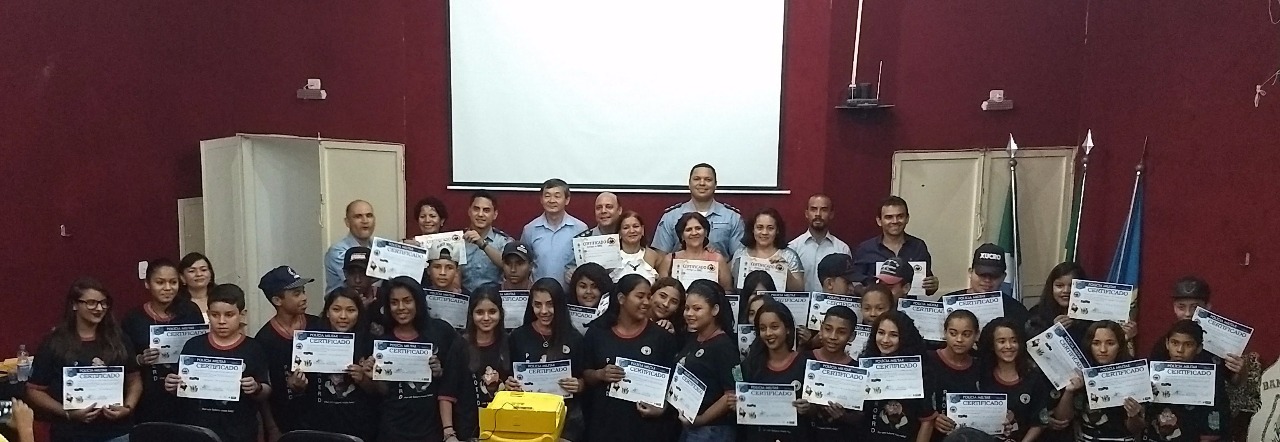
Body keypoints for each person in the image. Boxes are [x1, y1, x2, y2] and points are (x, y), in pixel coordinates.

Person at [26, 278, 142, 442]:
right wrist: (67, 413)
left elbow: (134, 380)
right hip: (71, 433)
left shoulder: (120, 339)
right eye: (92, 303)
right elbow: (35, 390)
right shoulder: (54, 342)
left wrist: (128, 408)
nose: (99, 308)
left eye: (103, 303)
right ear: (74, 305)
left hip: (117, 433)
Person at [1152, 276, 1259, 439]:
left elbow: (1236, 382)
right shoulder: (1164, 344)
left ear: (1207, 307)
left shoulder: (1222, 343)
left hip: (1213, 425)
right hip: (1175, 427)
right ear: (1174, 307)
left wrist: (1241, 370)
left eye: (1195, 307)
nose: (1188, 313)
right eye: (1181, 307)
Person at [165, 284, 271, 442]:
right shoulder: (193, 345)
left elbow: (266, 390)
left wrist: (256, 387)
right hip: (198, 431)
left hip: (240, 432)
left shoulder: (253, 348)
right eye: (215, 315)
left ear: (242, 314)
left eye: (229, 315)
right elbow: (180, 386)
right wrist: (172, 386)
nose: (221, 321)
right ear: (208, 314)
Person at [580, 274, 680, 442]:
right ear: (621, 298)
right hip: (604, 426)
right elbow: (585, 373)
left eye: (649, 296)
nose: (646, 302)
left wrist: (663, 407)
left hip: (646, 430)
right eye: (640, 296)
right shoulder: (597, 332)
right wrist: (600, 374)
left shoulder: (662, 337)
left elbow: (674, 384)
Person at [370, 276, 466, 442]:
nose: (401, 307)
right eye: (394, 302)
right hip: (393, 430)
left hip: (432, 428)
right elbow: (384, 391)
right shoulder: (383, 342)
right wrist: (373, 376)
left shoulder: (441, 332)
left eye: (407, 301)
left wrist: (440, 371)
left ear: (418, 302)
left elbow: (455, 378)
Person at [287, 289, 378, 442]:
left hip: (359, 428)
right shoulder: (310, 341)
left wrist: (363, 379)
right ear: (327, 312)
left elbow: (380, 392)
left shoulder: (370, 343)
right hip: (318, 427)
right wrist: (297, 384)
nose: (343, 316)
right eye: (336, 309)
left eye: (350, 310)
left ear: (359, 313)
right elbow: (296, 385)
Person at [936, 318, 1047, 442]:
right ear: (992, 345)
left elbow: (1038, 422)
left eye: (1014, 341)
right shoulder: (978, 373)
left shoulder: (1033, 378)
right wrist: (940, 419)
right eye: (1001, 341)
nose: (1008, 346)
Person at [120, 259, 204, 424]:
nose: (167, 288)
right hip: (149, 399)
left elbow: (202, 347)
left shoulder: (190, 311)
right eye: (160, 282)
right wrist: (140, 359)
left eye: (173, 282)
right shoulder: (133, 318)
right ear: (147, 283)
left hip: (187, 396)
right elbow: (123, 360)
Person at [506, 278, 586, 441]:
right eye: (538, 305)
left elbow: (585, 377)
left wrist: (580, 384)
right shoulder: (518, 336)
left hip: (566, 421)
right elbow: (508, 375)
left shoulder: (574, 338)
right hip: (526, 418)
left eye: (550, 304)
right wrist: (509, 383)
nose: (544, 311)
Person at [254, 266, 324, 440]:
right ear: (277, 300)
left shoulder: (318, 325)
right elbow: (264, 392)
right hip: (285, 422)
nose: (304, 297)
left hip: (322, 419)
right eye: (296, 294)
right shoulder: (264, 339)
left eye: (303, 291)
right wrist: (272, 428)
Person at [1052, 321, 1143, 442]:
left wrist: (1133, 415)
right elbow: (1062, 420)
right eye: (1096, 343)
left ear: (1120, 345)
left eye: (1110, 343)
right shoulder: (1080, 372)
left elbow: (1137, 429)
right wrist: (1069, 392)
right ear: (1089, 345)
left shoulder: (1133, 374)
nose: (1103, 349)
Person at [673, 280, 738, 441]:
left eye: (697, 309)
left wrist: (701, 419)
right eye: (687, 308)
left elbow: (730, 394)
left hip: (713, 430)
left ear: (714, 310)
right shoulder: (693, 339)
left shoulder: (724, 346)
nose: (689, 313)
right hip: (688, 426)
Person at [1145, 320, 1230, 442]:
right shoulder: (1150, 373)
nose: (1180, 350)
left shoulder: (1210, 379)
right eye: (1175, 343)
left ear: (1199, 348)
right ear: (1167, 344)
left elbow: (1212, 430)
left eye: (1188, 345)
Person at [738, 300, 810, 442]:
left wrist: (808, 408)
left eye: (774, 327)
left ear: (787, 329)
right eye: (763, 328)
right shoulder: (751, 365)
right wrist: (737, 403)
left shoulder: (805, 364)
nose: (768, 333)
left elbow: (815, 409)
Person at [861, 311, 936, 442]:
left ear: (905, 338)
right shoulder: (865, 365)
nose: (885, 340)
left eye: (893, 335)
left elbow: (927, 421)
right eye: (881, 333)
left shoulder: (919, 371)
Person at [653, 163, 746, 256]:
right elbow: (660, 256)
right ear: (689, 184)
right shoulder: (671, 217)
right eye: (697, 179)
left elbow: (738, 257)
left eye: (708, 179)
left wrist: (720, 264)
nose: (702, 183)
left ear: (715, 185)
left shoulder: (732, 218)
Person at [852, 196, 938, 296]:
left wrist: (932, 286)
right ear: (879, 221)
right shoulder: (865, 249)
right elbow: (855, 282)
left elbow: (927, 286)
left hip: (909, 305)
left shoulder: (918, 246)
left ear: (907, 218)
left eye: (900, 216)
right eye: (889, 217)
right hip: (876, 304)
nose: (895, 221)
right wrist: (869, 292)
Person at [801, 305, 861, 442]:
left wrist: (844, 416)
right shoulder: (803, 360)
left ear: (852, 336)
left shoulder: (856, 369)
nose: (833, 337)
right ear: (821, 328)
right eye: (828, 329)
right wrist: (805, 408)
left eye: (841, 332)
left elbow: (861, 416)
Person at [938, 244, 1029, 331]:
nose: (987, 280)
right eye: (982, 274)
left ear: (1003, 277)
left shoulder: (1016, 310)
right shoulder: (945, 303)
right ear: (970, 272)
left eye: (994, 276)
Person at [459, 285, 508, 440]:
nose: (486, 318)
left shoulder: (510, 342)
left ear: (500, 313)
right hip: (467, 430)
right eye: (479, 312)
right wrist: (448, 433)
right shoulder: (461, 345)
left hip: (505, 428)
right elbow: (447, 393)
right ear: (471, 314)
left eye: (492, 312)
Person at [926, 310, 983, 442]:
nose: (959, 339)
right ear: (944, 333)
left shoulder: (980, 367)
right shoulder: (928, 360)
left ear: (976, 335)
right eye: (953, 333)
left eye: (966, 334)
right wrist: (932, 416)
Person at [522, 178, 588, 286]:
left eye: (557, 196)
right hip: (539, 292)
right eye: (547, 196)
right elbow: (524, 263)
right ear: (541, 200)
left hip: (569, 292)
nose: (552, 200)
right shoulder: (530, 229)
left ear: (567, 200)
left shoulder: (580, 229)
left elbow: (586, 263)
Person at [730, 208, 804, 291]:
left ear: (777, 230)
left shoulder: (789, 256)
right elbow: (731, 286)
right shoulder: (740, 254)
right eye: (759, 227)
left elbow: (799, 290)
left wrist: (784, 270)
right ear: (752, 229)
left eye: (770, 228)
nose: (764, 232)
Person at [789, 194, 851, 292]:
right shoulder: (793, 248)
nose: (818, 214)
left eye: (824, 210)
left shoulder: (842, 249)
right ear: (806, 213)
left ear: (831, 214)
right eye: (813, 209)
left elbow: (847, 284)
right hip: (801, 301)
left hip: (832, 301)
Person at [656, 212, 734, 290]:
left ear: (705, 232)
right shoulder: (669, 260)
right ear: (682, 235)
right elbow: (661, 290)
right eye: (688, 230)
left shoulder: (717, 259)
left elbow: (727, 290)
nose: (694, 233)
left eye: (698, 228)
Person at [1026, 262, 1091, 342]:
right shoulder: (1036, 314)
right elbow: (1031, 344)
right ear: (1051, 287)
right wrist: (1052, 330)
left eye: (1072, 286)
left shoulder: (1092, 316)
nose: (1066, 291)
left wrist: (1077, 325)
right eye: (1059, 286)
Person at [462, 191, 513, 292]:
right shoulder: (458, 240)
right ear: (469, 211)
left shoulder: (504, 242)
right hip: (464, 296)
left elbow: (509, 266)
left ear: (495, 214)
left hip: (493, 297)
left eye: (486, 210)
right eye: (476, 209)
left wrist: (482, 244)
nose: (480, 214)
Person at [326, 200, 377, 294]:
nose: (365, 221)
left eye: (369, 215)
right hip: (342, 302)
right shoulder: (337, 251)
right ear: (347, 222)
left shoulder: (378, 248)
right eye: (358, 216)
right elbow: (361, 279)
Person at [611, 210, 662, 283]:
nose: (632, 231)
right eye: (626, 228)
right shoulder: (610, 257)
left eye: (636, 226)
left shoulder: (654, 256)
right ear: (619, 233)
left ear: (642, 230)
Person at [176, 252, 216, 322]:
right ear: (182, 277)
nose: (199, 274)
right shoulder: (176, 303)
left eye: (203, 270)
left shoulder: (221, 298)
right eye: (192, 271)